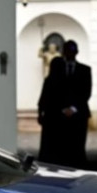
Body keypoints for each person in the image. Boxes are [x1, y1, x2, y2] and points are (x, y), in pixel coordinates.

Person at [37, 40, 91, 168]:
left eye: (72, 50)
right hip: (57, 115)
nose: (70, 53)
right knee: (58, 151)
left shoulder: (85, 70)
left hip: (78, 115)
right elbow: (49, 94)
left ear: (77, 52)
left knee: (77, 149)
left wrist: (73, 108)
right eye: (67, 50)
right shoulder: (57, 69)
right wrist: (57, 109)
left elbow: (86, 92)